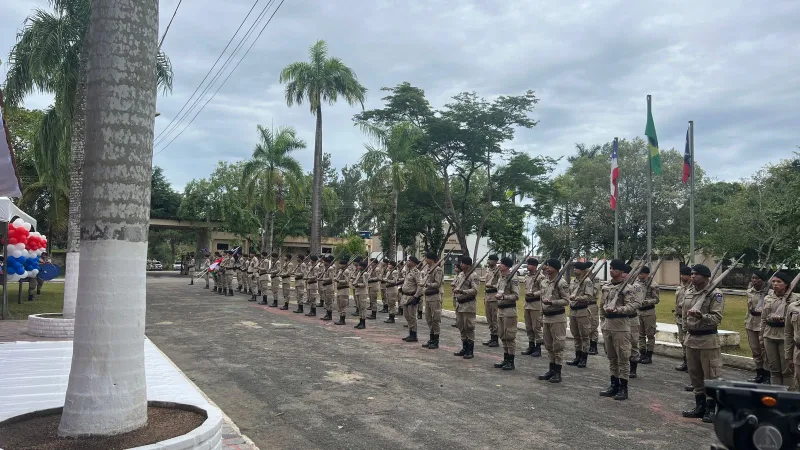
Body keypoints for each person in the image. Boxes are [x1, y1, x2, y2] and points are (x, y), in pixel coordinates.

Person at [681, 264, 724, 423]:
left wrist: (702, 317)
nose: (693, 277)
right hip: (691, 339)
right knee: (695, 376)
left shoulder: (715, 294)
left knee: (711, 376)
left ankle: (711, 408)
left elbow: (717, 319)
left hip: (707, 340)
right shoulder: (689, 291)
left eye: (696, 275)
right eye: (692, 274)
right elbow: (684, 314)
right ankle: (699, 406)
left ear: (706, 277)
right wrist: (686, 328)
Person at [598, 259, 640, 401]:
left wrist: (618, 309)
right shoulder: (606, 287)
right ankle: (613, 384)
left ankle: (623, 387)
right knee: (612, 357)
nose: (611, 271)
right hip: (608, 325)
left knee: (623, 357)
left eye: (614, 269)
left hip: (621, 326)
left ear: (622, 272)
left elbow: (632, 306)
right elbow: (602, 305)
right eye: (610, 268)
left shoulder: (628, 288)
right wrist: (602, 319)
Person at [761, 272, 796, 388]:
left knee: (787, 371)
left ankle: (788, 399)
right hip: (769, 335)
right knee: (774, 369)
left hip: (785, 337)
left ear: (786, 284)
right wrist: (761, 337)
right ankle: (775, 397)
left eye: (779, 282)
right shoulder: (768, 298)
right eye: (773, 281)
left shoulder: (795, 300)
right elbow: (763, 319)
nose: (775, 284)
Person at [538, 259, 570, 382]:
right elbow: (542, 299)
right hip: (547, 317)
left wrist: (553, 302)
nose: (546, 268)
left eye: (549, 266)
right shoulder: (544, 282)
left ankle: (557, 372)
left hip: (557, 318)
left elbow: (566, 301)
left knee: (558, 346)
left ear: (555, 268)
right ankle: (551, 369)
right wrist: (541, 315)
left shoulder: (562, 283)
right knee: (549, 346)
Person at [492, 257, 520, 370]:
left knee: (510, 337)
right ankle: (505, 359)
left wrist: (504, 296)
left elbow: (516, 296)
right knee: (503, 336)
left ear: (507, 266)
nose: (499, 265)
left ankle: (511, 361)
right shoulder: (501, 278)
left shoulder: (513, 278)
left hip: (509, 311)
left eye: (502, 264)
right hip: (501, 310)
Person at [567, 261, 594, 369]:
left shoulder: (587, 282)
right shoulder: (573, 281)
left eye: (577, 269)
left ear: (583, 271)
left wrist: (577, 298)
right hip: (573, 310)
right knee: (576, 336)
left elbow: (589, 297)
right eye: (574, 268)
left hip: (582, 311)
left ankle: (584, 358)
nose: (575, 270)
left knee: (584, 336)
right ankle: (577, 357)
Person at [745, 270, 770, 383]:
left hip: (763, 324)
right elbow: (748, 308)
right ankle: (759, 373)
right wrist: (746, 321)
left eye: (757, 278)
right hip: (751, 323)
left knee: (765, 350)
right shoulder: (749, 292)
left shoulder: (770, 293)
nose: (754, 280)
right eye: (753, 278)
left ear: (763, 280)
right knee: (755, 350)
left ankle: (767, 375)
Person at [453, 256, 480, 359]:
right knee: (461, 326)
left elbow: (475, 290)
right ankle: (464, 348)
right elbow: (456, 285)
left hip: (468, 305)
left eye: (463, 263)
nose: (461, 265)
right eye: (461, 263)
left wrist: (463, 291)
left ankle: (470, 350)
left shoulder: (473, 276)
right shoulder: (460, 274)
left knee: (469, 327)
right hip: (459, 304)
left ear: (468, 265)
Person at [637, 266, 660, 365]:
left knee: (650, 334)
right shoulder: (636, 283)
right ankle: (642, 353)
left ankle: (649, 355)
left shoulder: (653, 285)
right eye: (639, 273)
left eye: (641, 273)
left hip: (649, 312)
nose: (639, 275)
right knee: (640, 335)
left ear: (646, 274)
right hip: (638, 311)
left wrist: (647, 302)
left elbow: (656, 299)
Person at [422, 252, 444, 350]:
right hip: (428, 297)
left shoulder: (437, 270)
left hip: (434, 297)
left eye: (427, 258)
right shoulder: (428, 269)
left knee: (435, 320)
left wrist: (427, 285)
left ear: (431, 259)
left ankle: (436, 340)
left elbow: (437, 284)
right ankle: (431, 338)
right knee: (428, 318)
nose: (425, 259)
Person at [522, 258, 543, 357]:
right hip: (527, 305)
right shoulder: (527, 276)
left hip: (536, 305)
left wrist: (534, 294)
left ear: (534, 266)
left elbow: (543, 290)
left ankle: (538, 347)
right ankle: (531, 345)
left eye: (529, 264)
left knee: (536, 327)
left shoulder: (541, 277)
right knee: (529, 327)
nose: (527, 266)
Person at [401, 257, 425, 342]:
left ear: (414, 263)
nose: (407, 262)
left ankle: (414, 335)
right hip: (405, 296)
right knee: (407, 316)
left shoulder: (416, 272)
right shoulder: (408, 271)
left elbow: (420, 285)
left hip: (411, 296)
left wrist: (416, 296)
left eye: (409, 261)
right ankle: (410, 333)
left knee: (412, 317)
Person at [673, 265, 692, 372]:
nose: (682, 276)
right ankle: (686, 362)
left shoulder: (692, 288)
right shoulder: (680, 287)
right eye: (681, 274)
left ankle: (691, 364)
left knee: (688, 342)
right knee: (682, 341)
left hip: (689, 318)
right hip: (680, 318)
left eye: (684, 275)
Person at [626, 264, 641, 378]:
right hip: (620, 320)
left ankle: (633, 369)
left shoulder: (636, 287)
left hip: (632, 319)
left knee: (633, 343)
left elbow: (638, 303)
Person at [482, 255, 501, 347]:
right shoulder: (488, 270)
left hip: (494, 297)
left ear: (496, 261)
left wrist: (492, 286)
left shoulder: (498, 271)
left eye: (491, 260)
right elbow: (486, 284)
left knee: (494, 319)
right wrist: (484, 296)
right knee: (489, 319)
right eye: (489, 259)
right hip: (488, 296)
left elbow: (501, 283)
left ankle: (496, 339)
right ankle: (492, 337)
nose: (489, 261)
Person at [784, 289, 800, 392]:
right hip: (798, 352)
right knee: (798, 383)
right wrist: (789, 356)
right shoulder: (793, 307)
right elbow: (788, 333)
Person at [352, 260, 369, 329]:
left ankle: (363, 323)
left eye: (359, 266)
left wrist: (358, 284)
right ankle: (360, 321)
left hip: (362, 292)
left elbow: (365, 284)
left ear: (363, 267)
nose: (358, 267)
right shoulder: (359, 273)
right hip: (358, 291)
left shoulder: (365, 273)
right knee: (359, 307)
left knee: (363, 307)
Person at [334, 258, 351, 325]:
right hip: (340, 289)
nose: (340, 265)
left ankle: (342, 320)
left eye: (341, 264)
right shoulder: (341, 270)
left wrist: (338, 281)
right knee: (340, 304)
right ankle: (341, 318)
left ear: (345, 265)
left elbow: (346, 281)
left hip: (344, 289)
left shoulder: (346, 271)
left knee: (343, 305)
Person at [320, 256, 336, 321]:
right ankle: (327, 314)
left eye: (324, 261)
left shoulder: (330, 268)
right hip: (325, 286)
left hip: (329, 286)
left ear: (327, 262)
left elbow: (331, 278)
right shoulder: (325, 268)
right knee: (326, 301)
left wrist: (322, 279)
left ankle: (329, 315)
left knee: (329, 301)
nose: (323, 262)